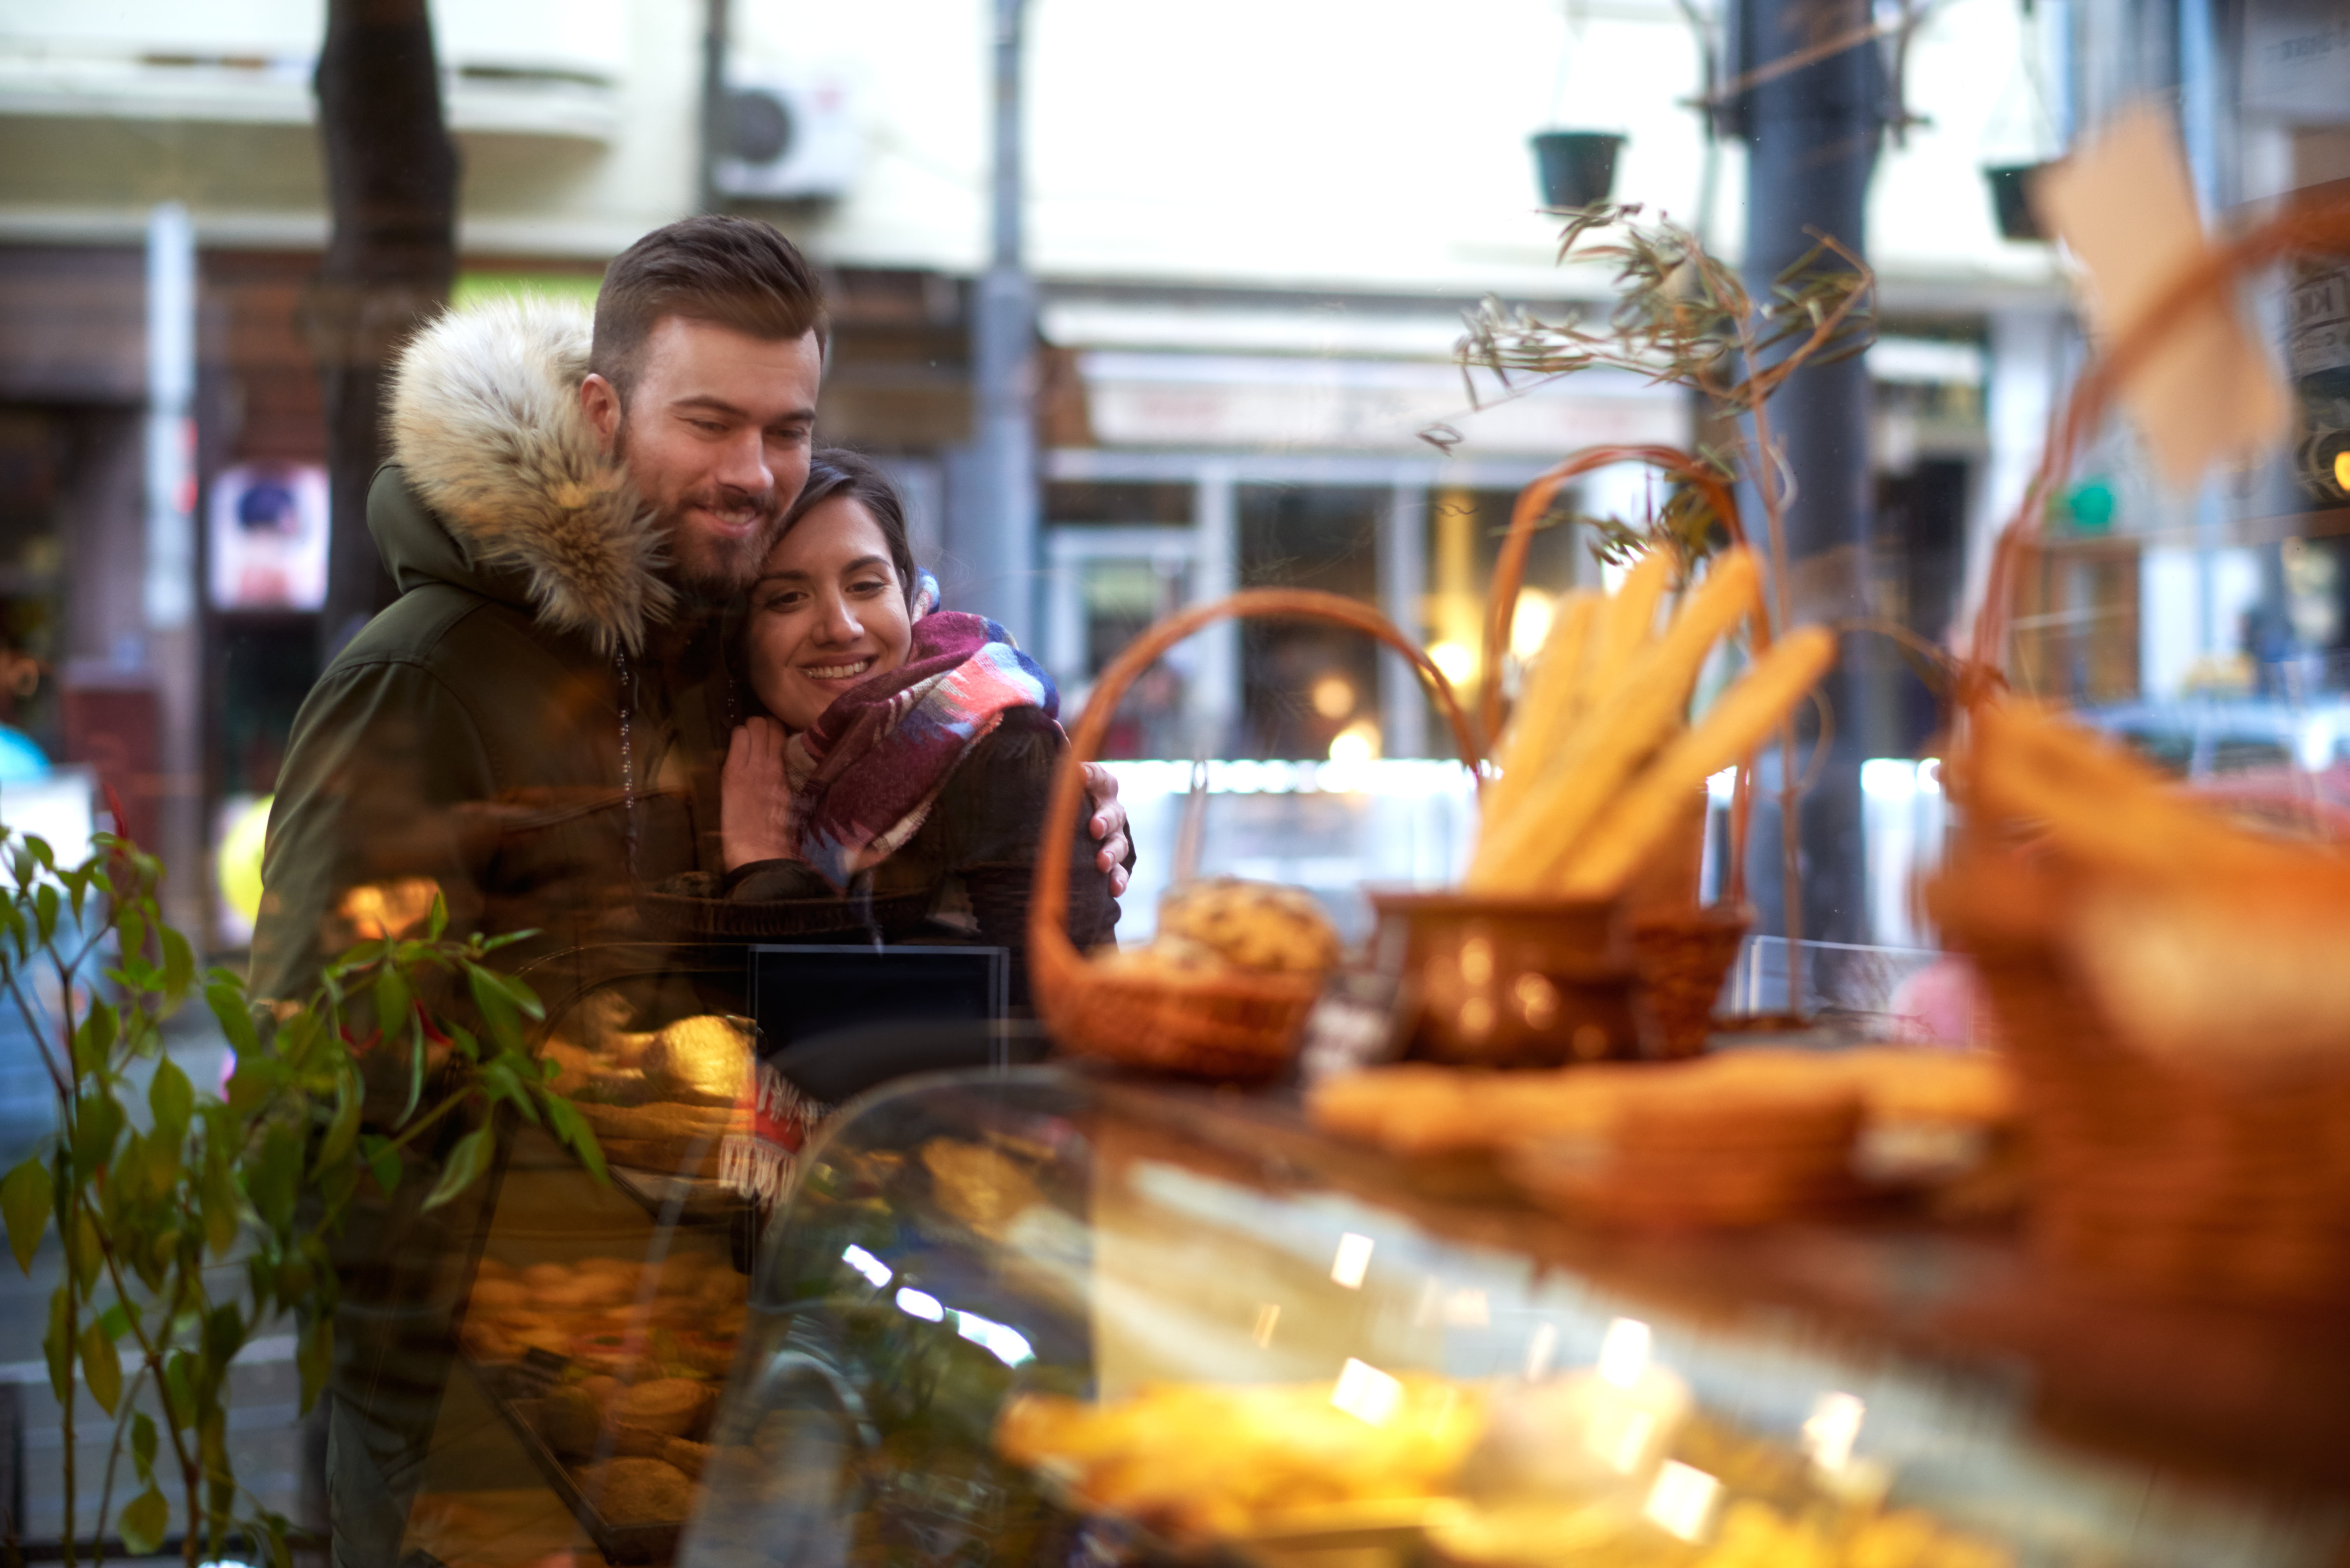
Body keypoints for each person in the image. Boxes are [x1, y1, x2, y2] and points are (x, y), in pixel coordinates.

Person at [247, 215, 1129, 1567]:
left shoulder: (712, 659)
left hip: (712, 1445)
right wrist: (482, 1478)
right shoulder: (423, 681)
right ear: (603, 412)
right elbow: (324, 1123)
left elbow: (888, 776)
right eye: (709, 422)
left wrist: (1056, 822)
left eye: (786, 429)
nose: (754, 472)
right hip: (505, 1479)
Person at [717, 450, 1119, 982]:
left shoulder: (1003, 747)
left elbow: (1026, 1018)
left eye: (866, 586)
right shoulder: (738, 750)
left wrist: (765, 871)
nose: (840, 627)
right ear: (735, 633)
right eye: (787, 598)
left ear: (908, 597)